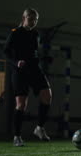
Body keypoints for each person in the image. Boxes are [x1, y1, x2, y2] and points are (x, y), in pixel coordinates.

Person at [4, 8, 52, 147]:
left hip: (34, 70)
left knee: (47, 95)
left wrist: (44, 58)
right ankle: (17, 137)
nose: (34, 22)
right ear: (24, 18)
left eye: (36, 19)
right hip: (20, 72)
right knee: (21, 104)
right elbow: (5, 52)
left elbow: (33, 53)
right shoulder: (15, 33)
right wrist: (16, 62)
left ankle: (39, 128)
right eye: (31, 19)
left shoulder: (35, 34)